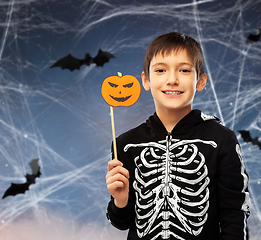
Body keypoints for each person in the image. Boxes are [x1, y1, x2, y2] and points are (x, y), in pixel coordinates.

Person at [105, 32, 250, 240]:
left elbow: (235, 216)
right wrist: (120, 200)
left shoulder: (221, 140)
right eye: (161, 70)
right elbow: (122, 223)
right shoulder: (125, 144)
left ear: (200, 81)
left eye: (184, 70)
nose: (172, 80)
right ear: (146, 80)